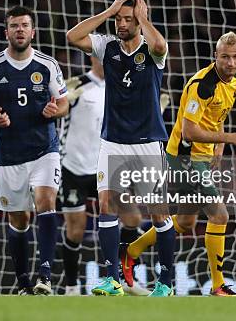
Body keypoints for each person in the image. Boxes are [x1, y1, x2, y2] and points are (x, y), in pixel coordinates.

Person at [121, 31, 236, 296]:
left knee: (185, 222)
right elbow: (189, 131)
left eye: (235, 57)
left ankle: (131, 251)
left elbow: (217, 116)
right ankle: (218, 286)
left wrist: (220, 145)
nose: (230, 62)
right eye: (225, 57)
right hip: (184, 158)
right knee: (219, 215)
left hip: (201, 157)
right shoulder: (202, 85)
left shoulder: (233, 83)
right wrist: (230, 137)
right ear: (215, 56)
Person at [67, 0, 175, 297]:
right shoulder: (107, 46)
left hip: (146, 142)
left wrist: (143, 19)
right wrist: (108, 11)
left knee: (158, 212)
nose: (122, 24)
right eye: (120, 19)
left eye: (128, 19)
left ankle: (165, 282)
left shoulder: (152, 51)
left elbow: (161, 46)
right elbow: (73, 36)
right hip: (113, 140)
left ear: (139, 21)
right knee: (106, 205)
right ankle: (112, 278)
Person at [0, 6, 69, 295]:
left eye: (24, 25)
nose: (19, 30)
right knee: (19, 219)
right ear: (6, 32)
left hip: (44, 148)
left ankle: (44, 275)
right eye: (14, 26)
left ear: (33, 31)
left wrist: (55, 111)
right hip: (11, 154)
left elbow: (64, 103)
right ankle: (23, 283)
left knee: (45, 201)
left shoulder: (47, 65)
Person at [58, 56, 150, 296]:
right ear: (92, 57)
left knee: (132, 219)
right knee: (76, 230)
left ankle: (126, 280)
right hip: (74, 168)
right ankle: (71, 286)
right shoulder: (75, 84)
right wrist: (61, 102)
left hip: (106, 167)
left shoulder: (120, 87)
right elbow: (55, 112)